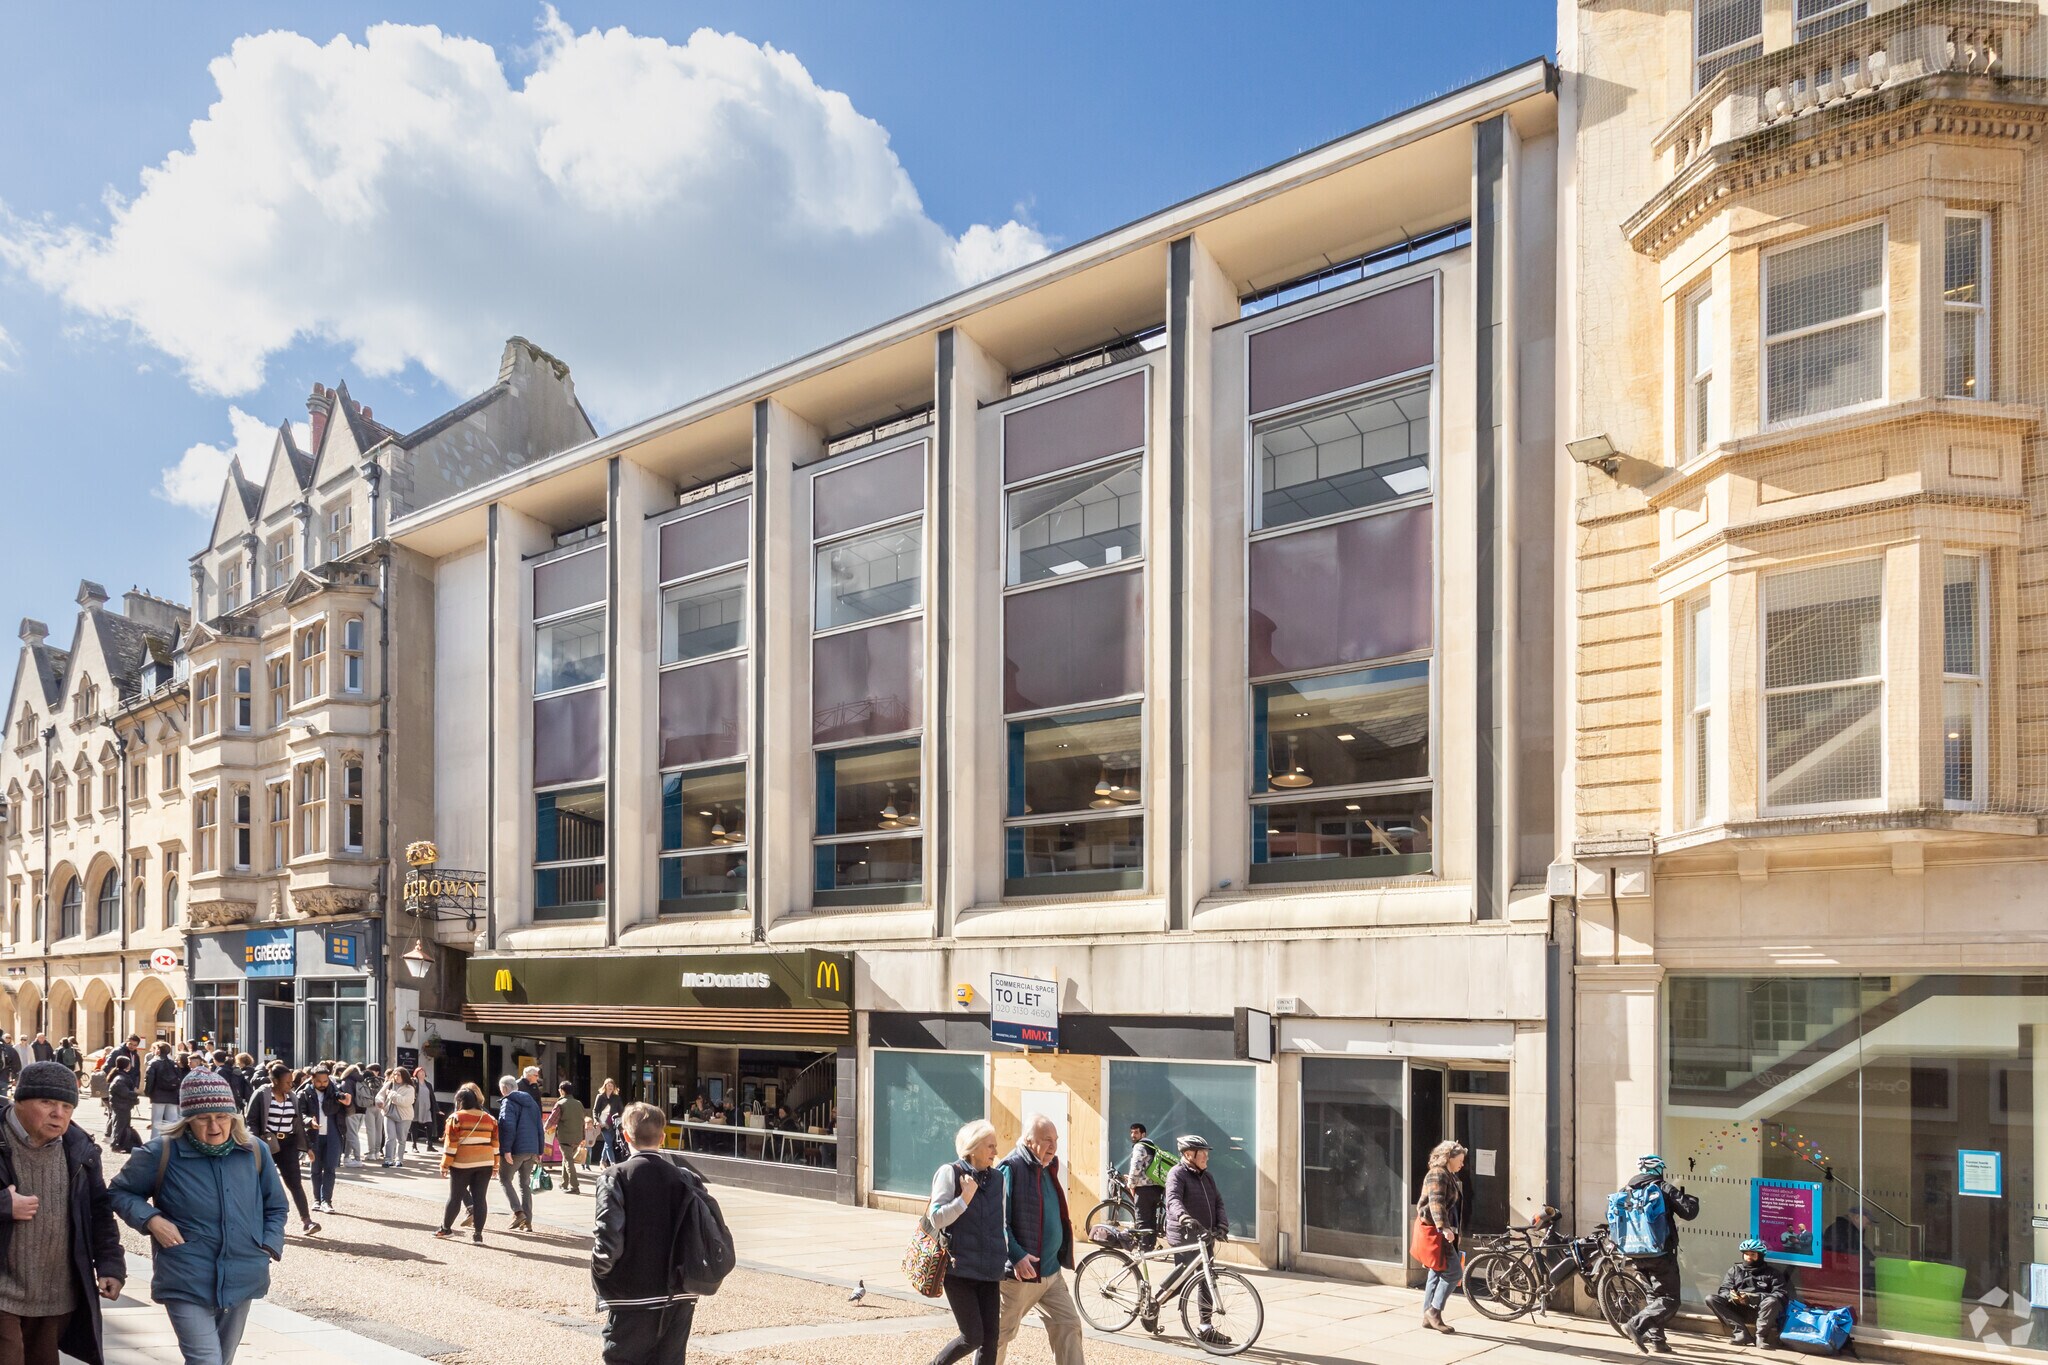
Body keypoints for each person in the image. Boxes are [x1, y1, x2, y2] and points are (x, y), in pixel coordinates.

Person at [108, 1070, 286, 1365]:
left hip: (243, 1273)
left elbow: (276, 1207)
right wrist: (152, 1219)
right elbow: (119, 1192)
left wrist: (266, 1246)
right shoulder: (160, 1152)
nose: (215, 1126)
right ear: (188, 1119)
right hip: (185, 1275)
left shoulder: (255, 1151)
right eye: (204, 1118)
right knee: (206, 1361)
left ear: (234, 1116)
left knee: (222, 1360)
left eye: (222, 1116)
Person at [0, 1061, 125, 1365]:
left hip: (54, 1295)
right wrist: (4, 1205)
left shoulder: (79, 1149)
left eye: (67, 1106)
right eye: (47, 1102)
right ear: (19, 1101)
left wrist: (110, 1265)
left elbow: (99, 1211)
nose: (58, 1113)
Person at [592, 1102, 713, 1365]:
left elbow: (608, 1241)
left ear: (625, 1135)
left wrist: (600, 1274)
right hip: (680, 1290)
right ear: (662, 1136)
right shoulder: (686, 1177)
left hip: (633, 1293)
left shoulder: (615, 1177)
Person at [992, 1114, 1083, 1365]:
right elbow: (997, 1222)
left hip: (1051, 1273)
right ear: (1030, 1141)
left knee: (1069, 1326)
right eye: (1047, 1140)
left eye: (1056, 1140)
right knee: (998, 1336)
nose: (1053, 1146)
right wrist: (1018, 1256)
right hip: (1020, 1277)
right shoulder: (1010, 1168)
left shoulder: (1047, 1166)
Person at [925, 1119, 1004, 1365]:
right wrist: (964, 1198)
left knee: (991, 1341)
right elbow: (936, 1218)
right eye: (990, 1146)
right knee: (972, 1337)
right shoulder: (950, 1172)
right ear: (973, 1147)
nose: (995, 1152)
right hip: (960, 1270)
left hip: (990, 1270)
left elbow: (998, 1222)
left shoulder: (998, 1178)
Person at [1614, 1154, 1700, 1354]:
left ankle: (1658, 1341)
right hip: (1660, 1254)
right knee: (1670, 1299)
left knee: (1654, 1297)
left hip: (1635, 1252)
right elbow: (1689, 1212)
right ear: (1658, 1170)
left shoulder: (1626, 1190)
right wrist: (1691, 1199)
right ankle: (1636, 1325)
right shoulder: (1662, 1187)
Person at [1152, 1134, 1232, 1346]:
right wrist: (1185, 1218)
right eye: (1202, 1153)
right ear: (1189, 1154)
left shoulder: (1207, 1177)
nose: (1206, 1157)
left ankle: (1205, 1327)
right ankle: (1153, 1305)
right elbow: (1173, 1200)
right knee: (1182, 1282)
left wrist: (1222, 1225)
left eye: (1206, 1153)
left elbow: (1218, 1202)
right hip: (1185, 1234)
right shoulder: (1176, 1174)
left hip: (1205, 1236)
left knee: (1206, 1279)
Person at [245, 1063, 318, 1238]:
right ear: (275, 1081)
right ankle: (259, 1220)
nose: (290, 1085)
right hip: (266, 1144)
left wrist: (307, 1147)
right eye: (286, 1082)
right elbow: (251, 1120)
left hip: (288, 1144)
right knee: (262, 1183)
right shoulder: (262, 1095)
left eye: (291, 1082)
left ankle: (307, 1221)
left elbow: (298, 1122)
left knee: (295, 1182)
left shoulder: (292, 1097)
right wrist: (256, 1142)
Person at [436, 1083, 498, 1243]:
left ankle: (446, 1229)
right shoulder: (490, 1119)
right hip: (485, 1162)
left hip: (462, 1163)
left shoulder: (455, 1118)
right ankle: (478, 1235)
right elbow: (496, 1144)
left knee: (455, 1197)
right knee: (480, 1198)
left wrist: (445, 1165)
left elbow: (450, 1145)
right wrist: (496, 1164)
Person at [1415, 1139, 1466, 1335]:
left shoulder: (1448, 1174)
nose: (1462, 1164)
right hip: (1439, 1232)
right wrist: (1444, 1228)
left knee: (1436, 1272)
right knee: (1454, 1272)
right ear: (1448, 1158)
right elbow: (1436, 1203)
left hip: (1444, 1230)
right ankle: (1434, 1311)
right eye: (1460, 1160)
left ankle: (1427, 1316)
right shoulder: (1438, 1174)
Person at [1708, 1237, 1789, 1349]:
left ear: (1760, 1256)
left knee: (1772, 1301)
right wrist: (1732, 1297)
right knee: (1711, 1299)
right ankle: (1741, 1334)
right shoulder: (1735, 1270)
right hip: (1738, 1310)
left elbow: (1781, 1294)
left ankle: (1760, 1337)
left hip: (1761, 1312)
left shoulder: (1772, 1273)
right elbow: (1724, 1289)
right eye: (1746, 1254)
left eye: (1753, 1254)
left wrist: (1754, 1298)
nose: (1749, 1257)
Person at [296, 1065, 348, 1215]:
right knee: (316, 1169)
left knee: (330, 1168)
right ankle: (317, 1200)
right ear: (312, 1079)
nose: (323, 1084)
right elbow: (300, 1114)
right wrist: (308, 1122)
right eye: (319, 1081)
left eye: (325, 1081)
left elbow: (348, 1107)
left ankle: (327, 1201)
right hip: (314, 1135)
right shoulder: (304, 1093)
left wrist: (347, 1101)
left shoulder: (335, 1091)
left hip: (334, 1135)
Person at [495, 1075, 543, 1232]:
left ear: (504, 1089)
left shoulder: (508, 1102)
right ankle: (527, 1221)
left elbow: (507, 1126)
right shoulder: (532, 1103)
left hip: (516, 1149)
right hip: (532, 1148)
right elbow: (539, 1127)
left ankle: (518, 1212)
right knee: (524, 1184)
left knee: (504, 1179)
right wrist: (540, 1150)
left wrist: (506, 1149)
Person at [1122, 1123, 1164, 1250]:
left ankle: (1144, 1247)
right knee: (1151, 1219)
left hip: (1144, 1190)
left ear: (1143, 1134)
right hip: (1156, 1189)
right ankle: (1150, 1245)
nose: (1133, 1135)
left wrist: (1131, 1185)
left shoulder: (1140, 1146)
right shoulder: (1152, 1146)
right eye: (1132, 1132)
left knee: (1142, 1220)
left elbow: (1136, 1167)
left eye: (1136, 1132)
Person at [548, 1081, 587, 1195]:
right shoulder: (579, 1103)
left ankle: (575, 1186)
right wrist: (583, 1136)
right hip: (577, 1137)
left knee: (569, 1161)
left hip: (565, 1137)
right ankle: (564, 1183)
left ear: (562, 1091)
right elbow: (582, 1121)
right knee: (566, 1159)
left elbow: (552, 1120)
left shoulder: (561, 1104)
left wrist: (544, 1129)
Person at [377, 1069, 415, 1169]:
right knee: (390, 1137)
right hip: (389, 1114)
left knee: (401, 1139)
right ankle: (388, 1159)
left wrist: (392, 1095)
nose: (396, 1076)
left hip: (404, 1116)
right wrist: (380, 1101)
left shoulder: (409, 1088)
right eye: (395, 1074)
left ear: (404, 1076)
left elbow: (406, 1102)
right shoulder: (389, 1084)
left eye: (399, 1075)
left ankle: (399, 1160)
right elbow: (380, 1095)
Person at [144, 1042, 183, 1138]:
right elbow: (179, 1078)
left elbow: (149, 1080)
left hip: (158, 1095)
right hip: (172, 1095)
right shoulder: (174, 1064)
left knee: (157, 1121)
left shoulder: (154, 1063)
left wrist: (148, 1093)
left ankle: (154, 1142)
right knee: (172, 1121)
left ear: (158, 1050)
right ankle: (172, 1141)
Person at [105, 1056, 139, 1148]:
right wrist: (134, 1094)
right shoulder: (120, 1078)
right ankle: (115, 1143)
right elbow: (124, 1092)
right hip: (121, 1105)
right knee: (120, 1124)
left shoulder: (121, 1076)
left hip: (122, 1104)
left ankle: (122, 1143)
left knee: (122, 1123)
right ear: (126, 1065)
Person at [592, 1079, 625, 1168]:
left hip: (613, 1124)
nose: (610, 1087)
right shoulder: (600, 1096)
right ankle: (613, 1162)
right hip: (603, 1123)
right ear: (605, 1086)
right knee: (609, 1143)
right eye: (608, 1085)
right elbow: (595, 1110)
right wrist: (596, 1121)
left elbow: (621, 1110)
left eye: (612, 1085)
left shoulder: (616, 1098)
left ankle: (602, 1161)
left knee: (608, 1143)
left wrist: (622, 1120)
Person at [412, 1069, 436, 1152]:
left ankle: (429, 1145)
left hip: (427, 1108)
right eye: (419, 1073)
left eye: (423, 1073)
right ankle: (414, 1146)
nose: (421, 1074)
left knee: (429, 1125)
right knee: (414, 1125)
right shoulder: (414, 1083)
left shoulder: (428, 1084)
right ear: (416, 1074)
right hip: (416, 1107)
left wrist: (437, 1109)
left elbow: (432, 1097)